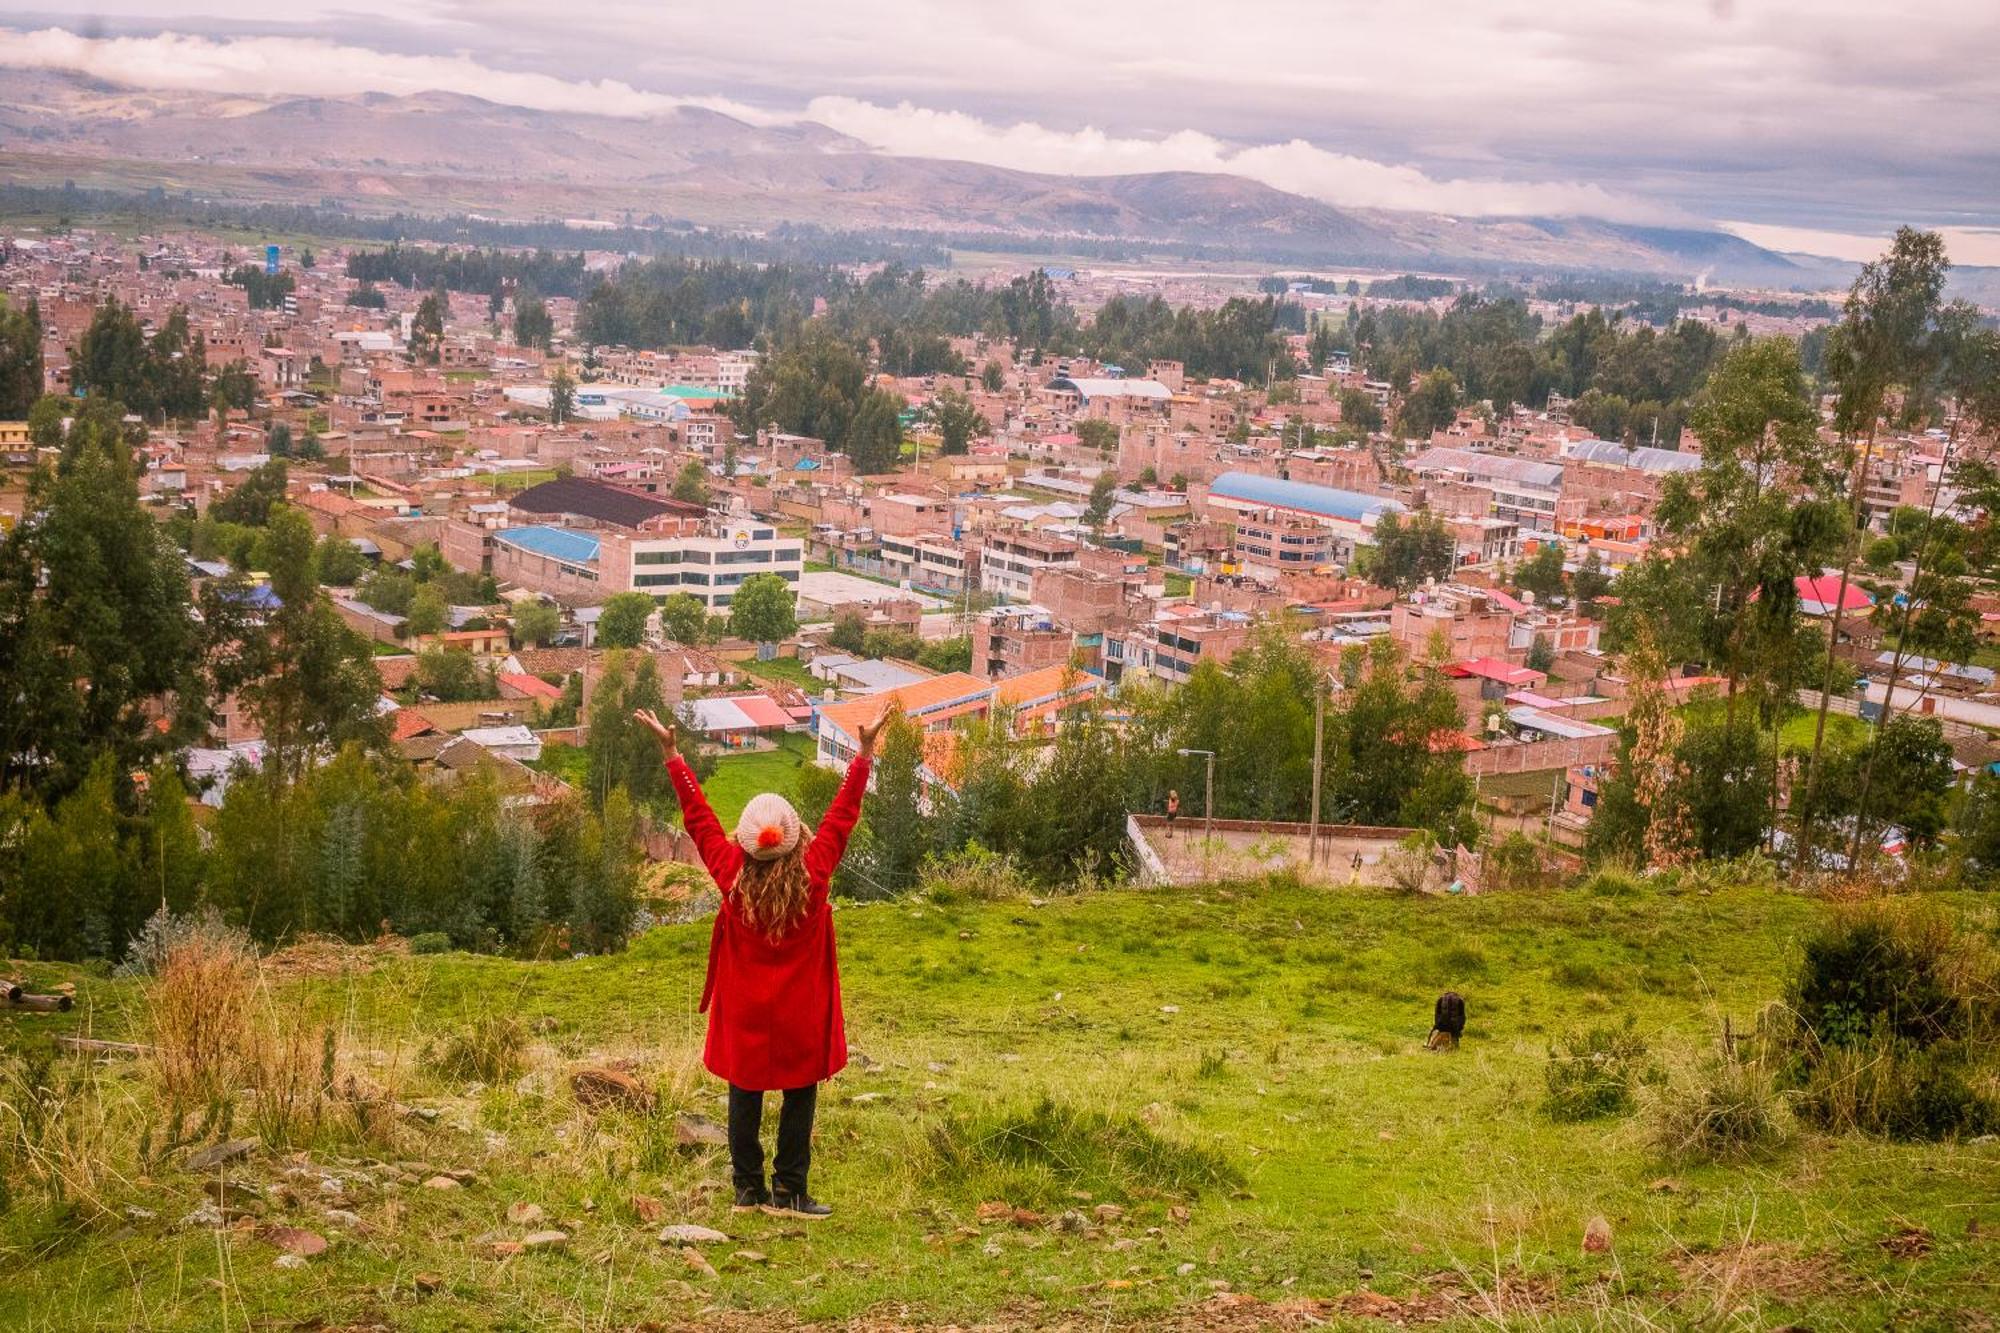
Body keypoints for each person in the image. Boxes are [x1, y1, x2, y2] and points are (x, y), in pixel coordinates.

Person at [635, 703, 890, 1220]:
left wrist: (672, 754)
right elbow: (843, 815)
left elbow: (698, 817)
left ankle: (748, 1190)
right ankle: (791, 1191)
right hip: (800, 1009)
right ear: (796, 838)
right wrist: (862, 754)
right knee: (800, 1096)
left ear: (746, 844)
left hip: (747, 1009)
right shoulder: (815, 875)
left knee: (744, 1093)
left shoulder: (730, 874)